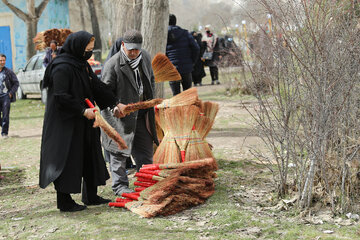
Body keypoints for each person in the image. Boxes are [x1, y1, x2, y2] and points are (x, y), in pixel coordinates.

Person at [39, 31, 123, 212]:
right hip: (65, 123)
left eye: (91, 50)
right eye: (87, 49)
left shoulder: (81, 64)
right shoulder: (61, 67)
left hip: (85, 121)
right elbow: (61, 97)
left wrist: (114, 102)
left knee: (90, 155)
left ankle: (91, 195)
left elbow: (96, 85)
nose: (89, 53)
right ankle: (64, 201)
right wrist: (82, 110)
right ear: (77, 47)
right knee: (67, 159)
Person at [101, 29, 159, 195]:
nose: (133, 53)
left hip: (141, 114)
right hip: (119, 118)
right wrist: (115, 107)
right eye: (130, 49)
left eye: (136, 49)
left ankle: (146, 181)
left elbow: (151, 79)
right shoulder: (113, 64)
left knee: (145, 152)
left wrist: (150, 101)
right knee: (119, 153)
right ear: (123, 45)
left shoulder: (145, 57)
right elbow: (105, 93)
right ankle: (120, 186)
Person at [166, 14, 199, 96]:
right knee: (187, 94)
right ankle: (187, 108)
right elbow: (196, 48)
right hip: (186, 67)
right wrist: (192, 61)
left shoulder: (163, 35)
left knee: (176, 95)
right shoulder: (185, 33)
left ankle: (178, 109)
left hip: (172, 68)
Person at [0, 53, 19, 138]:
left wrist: (11, 93)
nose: (2, 62)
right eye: (0, 60)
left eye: (4, 60)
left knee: (5, 114)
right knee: (3, 118)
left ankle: (4, 133)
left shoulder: (9, 72)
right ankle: (3, 124)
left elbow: (16, 83)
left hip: (5, 96)